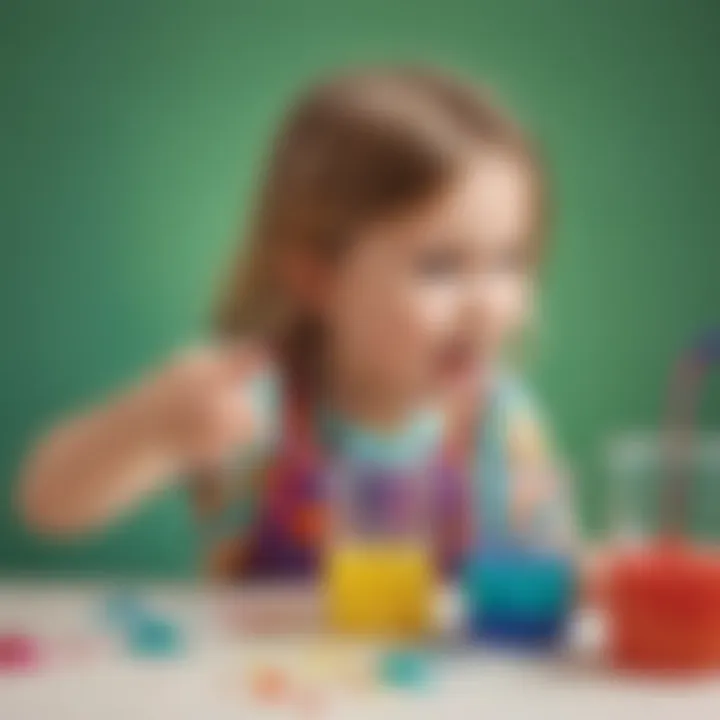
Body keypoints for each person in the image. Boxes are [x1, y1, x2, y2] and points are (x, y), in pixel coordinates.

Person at [18, 65, 573, 582]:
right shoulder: (255, 406)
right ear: (318, 276)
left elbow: (559, 580)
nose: (488, 305)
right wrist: (150, 422)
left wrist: (592, 575)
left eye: (509, 261)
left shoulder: (501, 423)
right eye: (440, 267)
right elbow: (48, 505)